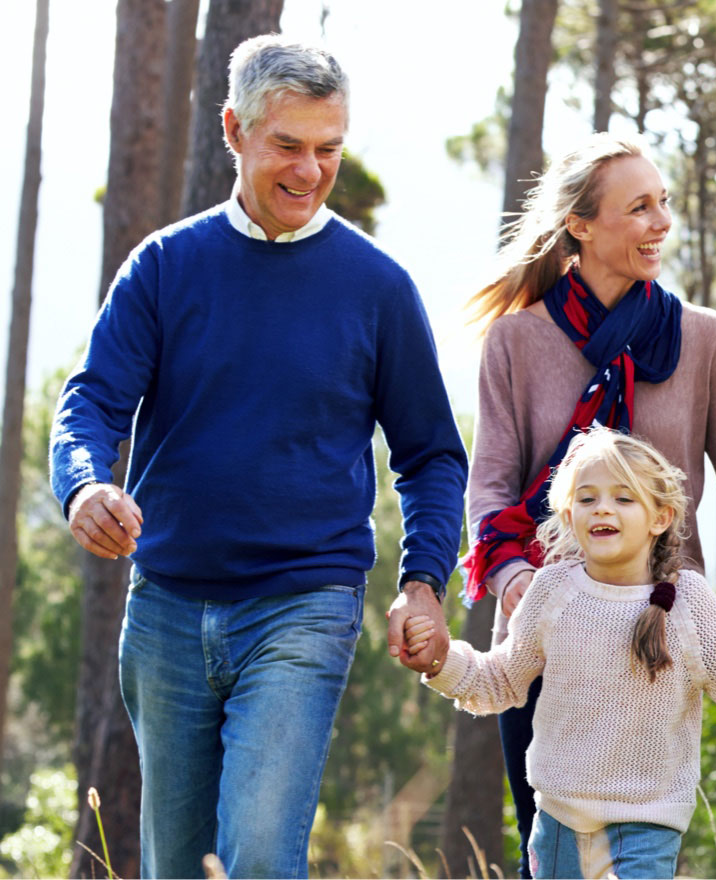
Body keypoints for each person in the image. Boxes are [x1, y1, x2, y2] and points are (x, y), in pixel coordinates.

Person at [47, 35, 466, 878]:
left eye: (329, 150)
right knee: (176, 865)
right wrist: (85, 485)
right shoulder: (165, 266)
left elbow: (430, 454)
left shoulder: (377, 288)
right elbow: (90, 404)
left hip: (304, 603)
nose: (310, 171)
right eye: (288, 146)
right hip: (165, 607)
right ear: (235, 130)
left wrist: (421, 581)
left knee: (263, 854)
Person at [457, 132, 716, 869]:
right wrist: (515, 580)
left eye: (664, 204)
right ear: (581, 224)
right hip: (545, 623)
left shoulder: (704, 340)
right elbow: (489, 483)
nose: (661, 223)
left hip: (662, 627)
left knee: (645, 844)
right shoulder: (515, 340)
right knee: (545, 844)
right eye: (639, 207)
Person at [402, 431, 716, 880]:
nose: (603, 507)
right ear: (568, 513)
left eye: (623, 498)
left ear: (660, 517)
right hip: (559, 823)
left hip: (647, 828)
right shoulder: (551, 591)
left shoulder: (688, 603)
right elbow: (500, 682)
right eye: (587, 498)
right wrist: (442, 660)